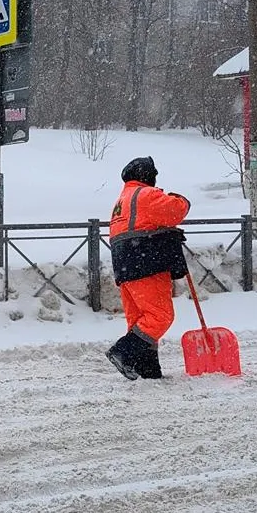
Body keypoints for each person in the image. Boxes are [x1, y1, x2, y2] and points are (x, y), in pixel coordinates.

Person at [106, 156, 190, 380]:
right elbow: (176, 211)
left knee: (140, 320)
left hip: (124, 266)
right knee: (160, 316)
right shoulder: (146, 195)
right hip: (146, 262)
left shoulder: (121, 200)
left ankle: (148, 369)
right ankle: (123, 352)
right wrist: (180, 198)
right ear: (147, 176)